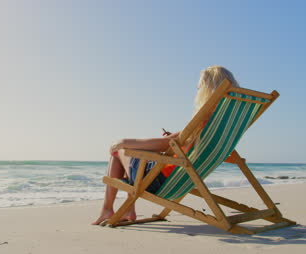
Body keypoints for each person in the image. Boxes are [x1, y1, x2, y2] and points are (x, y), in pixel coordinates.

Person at [91, 65, 240, 225]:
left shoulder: (205, 117)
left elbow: (164, 144)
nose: (197, 92)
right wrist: (177, 142)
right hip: (184, 179)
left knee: (119, 152)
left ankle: (108, 209)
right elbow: (187, 143)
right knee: (133, 153)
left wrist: (122, 142)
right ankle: (128, 210)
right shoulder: (228, 120)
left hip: (158, 180)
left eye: (199, 88)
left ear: (207, 90)